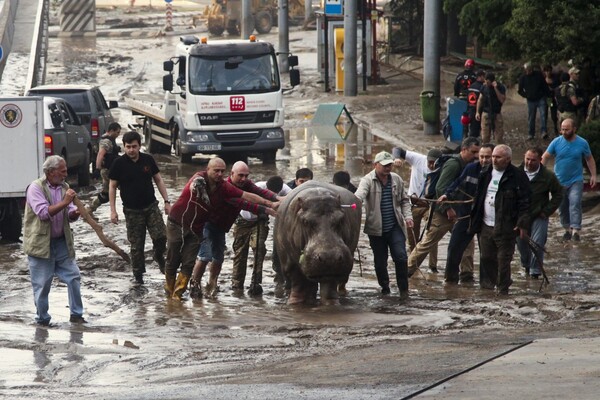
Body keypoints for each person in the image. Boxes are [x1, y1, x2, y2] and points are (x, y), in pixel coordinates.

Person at [165, 158, 279, 300]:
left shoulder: (224, 187)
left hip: (207, 227)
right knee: (182, 258)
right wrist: (268, 209)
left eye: (221, 171)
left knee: (202, 260)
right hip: (186, 223)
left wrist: (273, 202)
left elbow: (249, 195)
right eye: (216, 171)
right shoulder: (201, 178)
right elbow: (244, 204)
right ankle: (177, 289)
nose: (219, 174)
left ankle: (192, 291)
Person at [23, 155, 86, 325]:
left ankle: (76, 315)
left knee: (73, 276)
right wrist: (66, 203)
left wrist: (74, 213)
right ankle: (42, 320)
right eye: (63, 171)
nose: (66, 174)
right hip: (40, 245)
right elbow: (43, 214)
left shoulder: (64, 186)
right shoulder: (35, 188)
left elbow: (70, 212)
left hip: (61, 242)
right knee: (42, 285)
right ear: (51, 172)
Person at [407, 137, 481, 277]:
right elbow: (441, 188)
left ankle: (466, 275)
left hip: (460, 213)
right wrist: (448, 209)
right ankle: (406, 272)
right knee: (427, 243)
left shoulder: (470, 166)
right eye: (473, 152)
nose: (476, 156)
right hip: (443, 212)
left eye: (478, 152)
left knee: (467, 243)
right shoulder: (453, 164)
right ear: (464, 150)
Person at [109, 131, 170, 284]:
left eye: (134, 147)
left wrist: (167, 201)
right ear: (123, 146)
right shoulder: (118, 164)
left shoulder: (147, 160)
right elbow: (112, 186)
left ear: (139, 146)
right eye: (128, 147)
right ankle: (138, 277)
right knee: (137, 247)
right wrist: (113, 210)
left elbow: (159, 180)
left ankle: (158, 255)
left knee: (162, 236)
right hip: (131, 211)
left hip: (151, 206)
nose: (131, 150)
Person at [469, 145, 530, 294]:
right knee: (486, 258)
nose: (494, 160)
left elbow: (525, 202)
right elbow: (478, 198)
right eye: (493, 157)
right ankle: (501, 282)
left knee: (503, 261)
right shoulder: (485, 172)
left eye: (498, 157)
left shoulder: (518, 176)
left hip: (506, 226)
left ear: (508, 159)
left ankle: (503, 292)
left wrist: (522, 223)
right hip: (485, 225)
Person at [355, 151, 413, 299]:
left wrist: (408, 217)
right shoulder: (367, 180)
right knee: (380, 262)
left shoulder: (396, 180)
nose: (388, 168)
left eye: (390, 165)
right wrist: (355, 204)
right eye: (385, 165)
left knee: (401, 257)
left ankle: (404, 290)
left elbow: (404, 200)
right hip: (376, 229)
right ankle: (385, 288)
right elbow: (359, 196)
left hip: (395, 226)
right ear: (376, 165)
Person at [439, 143, 494, 284]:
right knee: (454, 248)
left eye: (487, 157)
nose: (484, 160)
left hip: (486, 219)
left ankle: (487, 286)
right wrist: (447, 195)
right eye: (481, 157)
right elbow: (457, 183)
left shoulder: (498, 173)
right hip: (466, 216)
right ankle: (450, 282)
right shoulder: (470, 169)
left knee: (487, 254)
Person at [232, 175, 292, 294]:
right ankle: (237, 284)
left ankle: (256, 283)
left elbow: (293, 198)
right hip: (243, 221)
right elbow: (245, 202)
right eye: (270, 192)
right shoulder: (257, 187)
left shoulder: (285, 190)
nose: (273, 194)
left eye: (276, 193)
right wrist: (263, 208)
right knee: (240, 252)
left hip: (260, 222)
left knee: (259, 249)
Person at [542, 118, 597, 241]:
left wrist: (593, 175)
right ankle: (567, 229)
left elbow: (589, 159)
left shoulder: (582, 143)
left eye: (566, 129)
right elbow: (545, 157)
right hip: (559, 181)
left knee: (575, 202)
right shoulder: (556, 142)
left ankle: (576, 230)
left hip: (576, 179)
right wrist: (540, 172)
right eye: (562, 129)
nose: (563, 132)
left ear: (574, 129)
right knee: (562, 207)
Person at [392, 146, 442, 272]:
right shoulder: (418, 159)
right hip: (413, 204)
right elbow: (397, 149)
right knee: (411, 234)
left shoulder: (443, 167)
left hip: (430, 205)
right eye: (429, 162)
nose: (431, 165)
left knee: (432, 232)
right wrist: (397, 158)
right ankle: (414, 263)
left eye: (434, 163)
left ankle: (433, 266)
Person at [516, 147, 563, 279]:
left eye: (533, 160)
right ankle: (526, 266)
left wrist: (547, 210)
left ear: (540, 160)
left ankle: (535, 272)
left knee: (537, 243)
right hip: (520, 216)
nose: (529, 163)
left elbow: (558, 194)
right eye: (527, 159)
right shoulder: (516, 173)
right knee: (521, 243)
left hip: (539, 215)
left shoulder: (548, 176)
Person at [87, 122, 121, 215]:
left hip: (110, 169)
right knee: (126, 188)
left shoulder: (108, 139)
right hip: (108, 171)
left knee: (106, 194)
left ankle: (89, 210)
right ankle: (89, 210)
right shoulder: (106, 141)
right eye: (117, 132)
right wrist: (97, 169)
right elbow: (100, 155)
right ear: (111, 131)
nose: (118, 135)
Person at [518, 63, 549, 140]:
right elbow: (520, 90)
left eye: (530, 70)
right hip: (531, 100)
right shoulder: (523, 78)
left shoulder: (538, 75)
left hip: (540, 97)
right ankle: (531, 133)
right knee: (531, 117)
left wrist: (547, 94)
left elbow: (544, 85)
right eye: (527, 70)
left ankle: (543, 131)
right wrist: (526, 95)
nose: (529, 72)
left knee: (543, 115)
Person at [476, 72, 507, 144]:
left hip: (496, 113)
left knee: (499, 136)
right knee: (485, 136)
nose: (487, 84)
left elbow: (502, 100)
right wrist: (477, 111)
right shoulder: (484, 87)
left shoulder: (500, 87)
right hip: (486, 112)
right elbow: (480, 99)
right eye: (485, 81)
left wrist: (495, 88)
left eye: (488, 82)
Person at [466, 70, 485, 138]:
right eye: (483, 76)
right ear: (480, 77)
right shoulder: (482, 87)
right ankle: (473, 144)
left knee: (472, 129)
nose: (484, 78)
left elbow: (468, 99)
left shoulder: (471, 86)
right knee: (478, 130)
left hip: (471, 109)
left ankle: (471, 140)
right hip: (479, 110)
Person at [543, 65, 560, 137]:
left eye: (549, 71)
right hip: (547, 98)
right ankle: (544, 129)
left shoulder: (555, 78)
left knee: (553, 113)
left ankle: (555, 128)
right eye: (546, 71)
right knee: (545, 113)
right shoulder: (543, 79)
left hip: (552, 98)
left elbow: (557, 86)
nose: (548, 72)